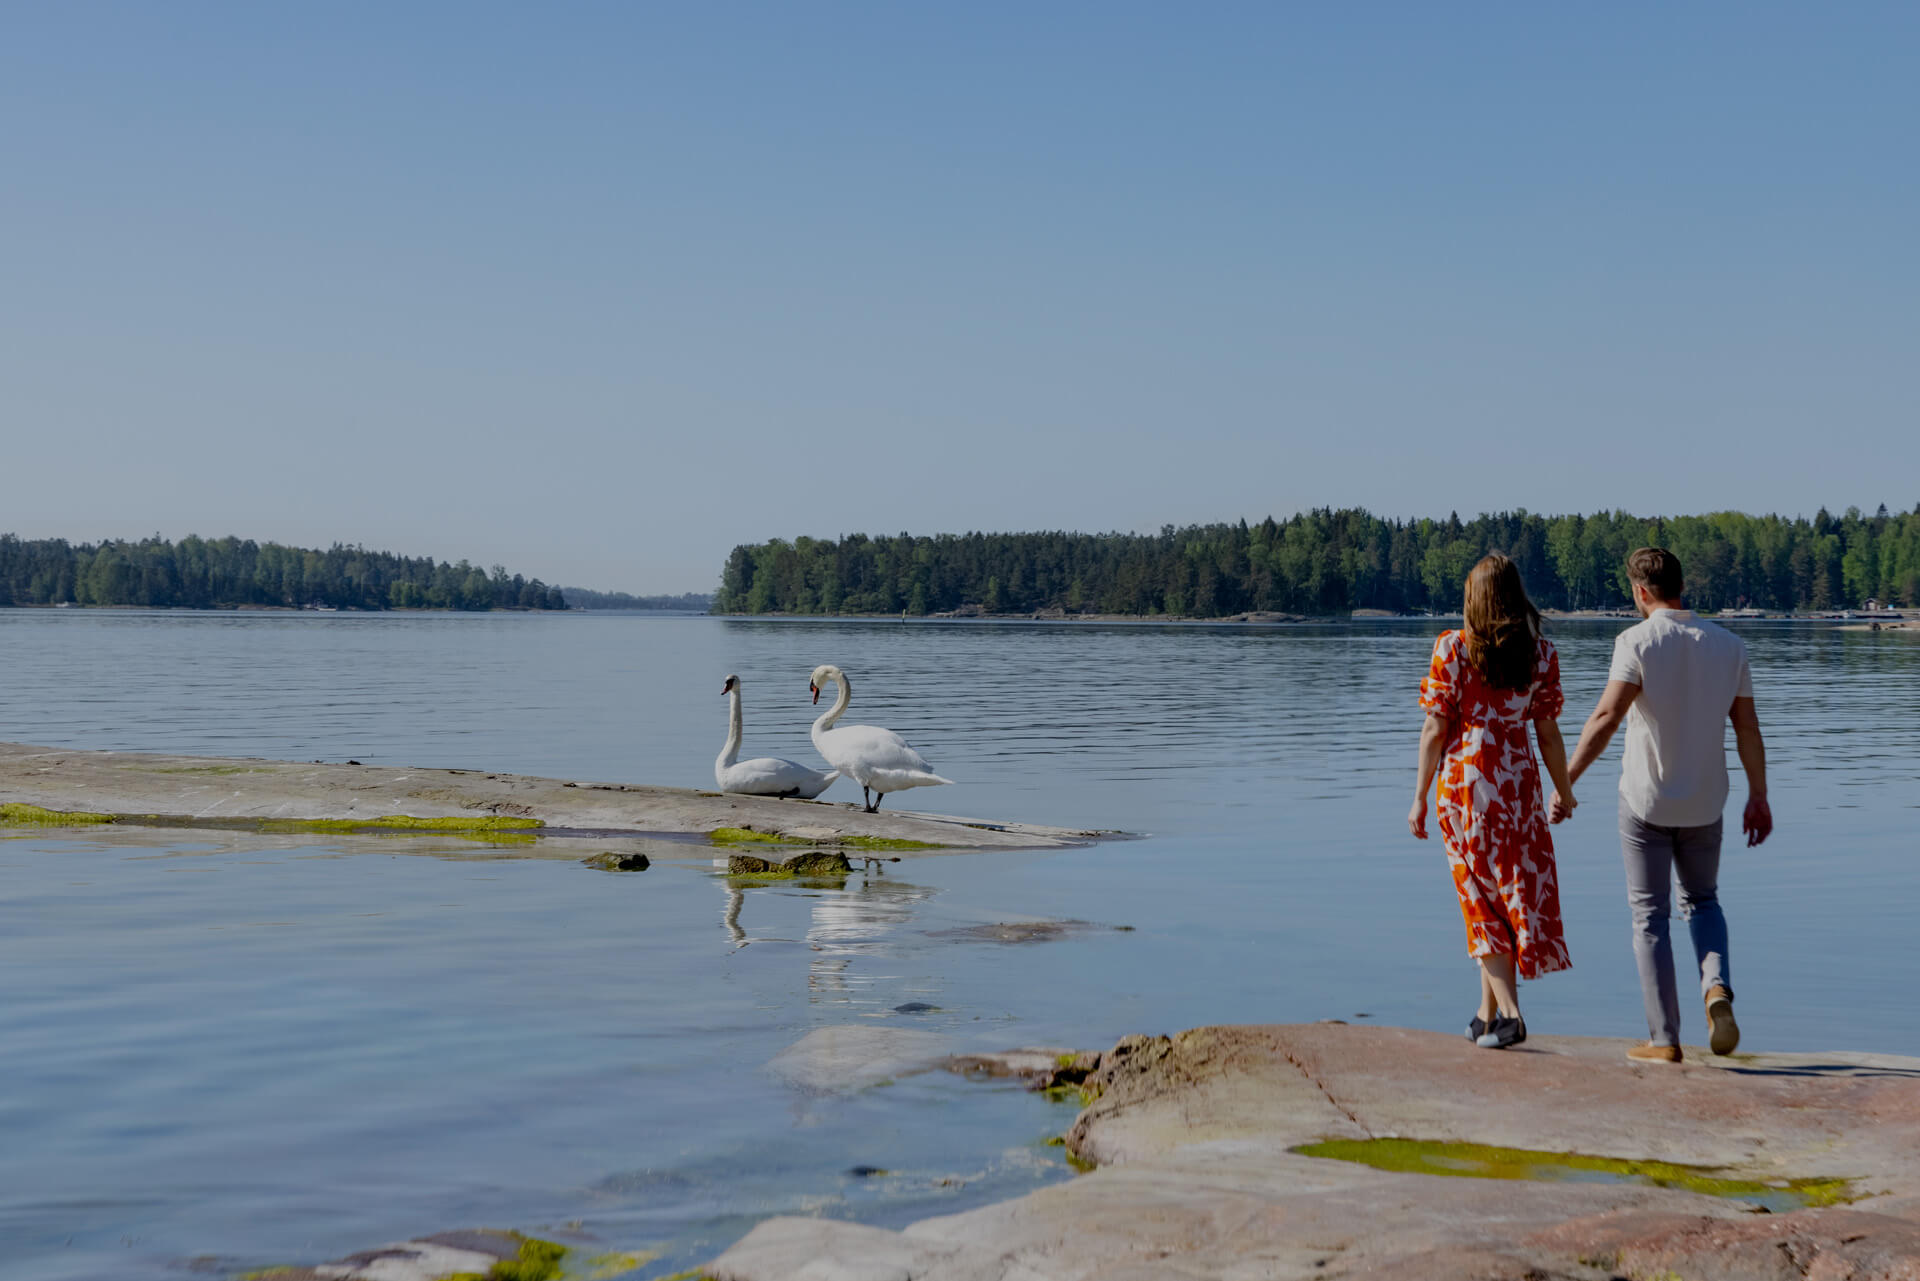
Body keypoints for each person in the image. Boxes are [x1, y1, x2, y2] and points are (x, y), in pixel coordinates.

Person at [1562, 547, 1772, 1063]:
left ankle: (1664, 1040)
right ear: (1682, 586)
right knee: (1703, 900)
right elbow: (1747, 728)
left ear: (1639, 592)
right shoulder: (1729, 645)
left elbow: (1606, 717)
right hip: (1706, 801)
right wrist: (1759, 795)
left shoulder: (1635, 641)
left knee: (1650, 917)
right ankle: (1716, 989)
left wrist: (1564, 783)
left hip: (1646, 802)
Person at [1410, 554, 1576, 1050]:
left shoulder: (1453, 649)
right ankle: (1485, 1014)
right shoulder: (1541, 654)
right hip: (1518, 787)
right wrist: (1564, 791)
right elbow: (1547, 733)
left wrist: (1418, 795)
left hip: (1467, 788)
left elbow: (1436, 729)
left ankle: (1510, 1016)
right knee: (1502, 896)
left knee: (1479, 900)